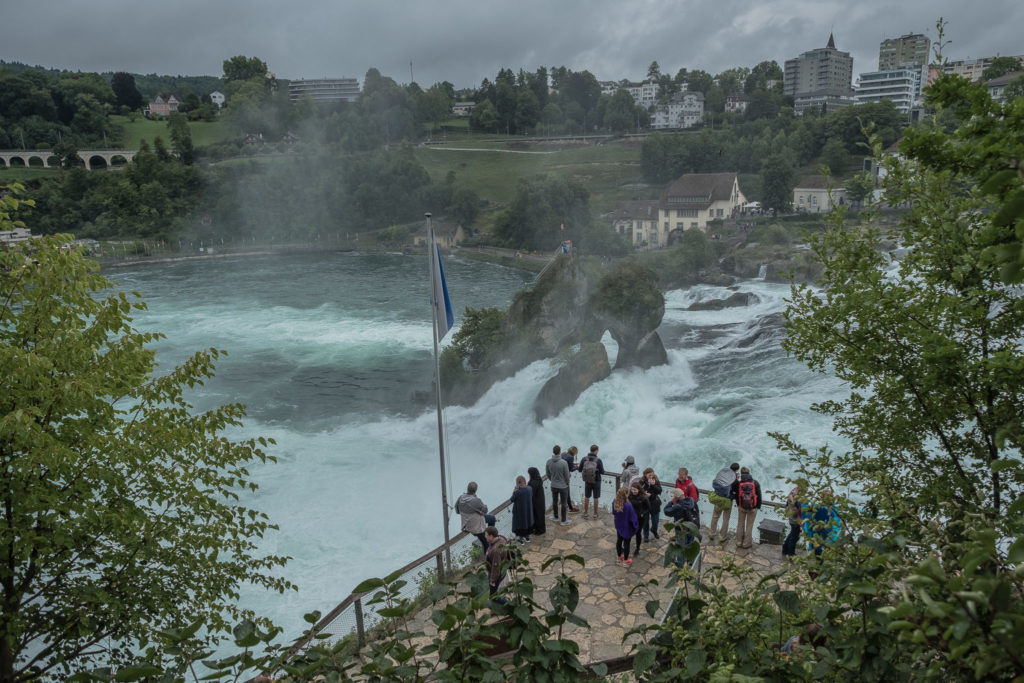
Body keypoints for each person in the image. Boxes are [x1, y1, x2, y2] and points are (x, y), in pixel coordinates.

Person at [455, 482, 497, 551]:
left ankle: (489, 535)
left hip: (467, 526)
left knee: (492, 519)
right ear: (475, 490)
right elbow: (485, 510)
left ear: (467, 489)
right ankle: (488, 558)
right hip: (477, 528)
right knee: (486, 544)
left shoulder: (460, 498)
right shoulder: (476, 500)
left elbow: (457, 511)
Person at [663, 487, 700, 566]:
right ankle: (691, 561)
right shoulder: (692, 500)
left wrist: (671, 503)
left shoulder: (678, 506)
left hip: (681, 529)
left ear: (676, 497)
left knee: (680, 546)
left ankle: (680, 564)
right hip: (692, 527)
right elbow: (697, 511)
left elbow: (666, 511)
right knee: (690, 544)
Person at [731, 466, 762, 550]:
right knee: (749, 525)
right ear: (749, 473)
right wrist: (757, 506)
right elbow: (759, 495)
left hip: (741, 507)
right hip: (752, 508)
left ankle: (739, 542)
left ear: (741, 474)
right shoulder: (755, 483)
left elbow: (736, 494)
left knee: (740, 524)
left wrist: (738, 504)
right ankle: (746, 543)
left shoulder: (739, 483)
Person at [708, 462, 740, 542]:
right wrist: (737, 479)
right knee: (726, 519)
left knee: (715, 516)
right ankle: (722, 536)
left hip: (718, 498)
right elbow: (736, 491)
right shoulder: (735, 481)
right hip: (727, 501)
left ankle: (712, 533)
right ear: (737, 470)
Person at [612, 487, 639, 567]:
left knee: (619, 540)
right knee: (627, 543)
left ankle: (619, 557)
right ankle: (626, 560)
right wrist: (635, 526)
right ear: (626, 494)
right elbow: (632, 518)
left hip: (619, 525)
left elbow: (614, 513)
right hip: (627, 526)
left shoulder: (615, 502)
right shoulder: (628, 505)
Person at [546, 445, 572, 526]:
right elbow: (567, 475)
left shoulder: (548, 462)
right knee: (564, 503)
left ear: (553, 452)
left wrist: (552, 480)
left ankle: (556, 517)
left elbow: (548, 474)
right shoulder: (563, 463)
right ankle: (563, 520)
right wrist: (567, 483)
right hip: (563, 486)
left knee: (555, 501)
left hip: (553, 485)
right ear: (560, 452)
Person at [483, 526, 510, 601]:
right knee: (494, 593)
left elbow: (496, 566)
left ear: (491, 536)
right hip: (501, 570)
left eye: (486, 535)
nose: (485, 537)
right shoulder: (501, 539)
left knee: (494, 595)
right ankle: (493, 610)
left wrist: (493, 580)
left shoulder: (495, 551)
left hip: (496, 573)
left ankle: (508, 605)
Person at [579, 444, 605, 519]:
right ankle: (595, 514)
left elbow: (580, 470)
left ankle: (586, 512)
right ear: (596, 451)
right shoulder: (598, 460)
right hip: (596, 481)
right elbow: (602, 472)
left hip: (587, 481)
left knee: (587, 497)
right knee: (596, 497)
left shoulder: (584, 459)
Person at [627, 479, 650, 558]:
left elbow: (648, 508)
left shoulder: (643, 497)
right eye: (632, 490)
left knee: (638, 533)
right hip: (630, 517)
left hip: (640, 518)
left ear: (639, 489)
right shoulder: (629, 496)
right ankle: (627, 547)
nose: (633, 491)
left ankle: (637, 548)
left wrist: (643, 513)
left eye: (635, 490)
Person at [782, 482, 804, 559]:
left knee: (792, 534)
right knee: (794, 537)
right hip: (795, 519)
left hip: (791, 518)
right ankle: (791, 554)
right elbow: (798, 508)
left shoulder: (792, 492)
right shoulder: (796, 497)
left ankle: (785, 549)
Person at [510, 475, 534, 543]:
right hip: (528, 510)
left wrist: (514, 490)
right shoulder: (530, 488)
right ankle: (527, 538)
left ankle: (521, 539)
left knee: (520, 525)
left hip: (519, 512)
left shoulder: (517, 492)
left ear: (518, 483)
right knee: (527, 523)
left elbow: (512, 499)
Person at [641, 467, 663, 541]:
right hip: (644, 504)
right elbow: (638, 491)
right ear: (645, 474)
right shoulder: (642, 481)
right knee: (645, 521)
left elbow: (659, 491)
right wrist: (644, 493)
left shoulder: (656, 481)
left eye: (652, 475)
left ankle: (654, 530)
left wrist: (653, 485)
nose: (651, 476)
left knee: (655, 521)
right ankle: (646, 535)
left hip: (654, 503)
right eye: (649, 475)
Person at [526, 466, 546, 536]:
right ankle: (539, 529)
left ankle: (540, 530)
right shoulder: (538, 479)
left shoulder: (533, 482)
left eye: (529, 474)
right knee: (539, 515)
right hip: (540, 500)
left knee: (538, 516)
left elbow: (531, 492)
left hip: (536, 502)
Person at [561, 446, 580, 513]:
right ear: (574, 452)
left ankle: (565, 504)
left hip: (559, 476)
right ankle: (571, 508)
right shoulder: (571, 457)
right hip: (565, 476)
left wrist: (575, 464)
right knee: (567, 492)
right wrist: (577, 467)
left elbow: (568, 465)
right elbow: (571, 469)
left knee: (563, 492)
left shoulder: (563, 454)